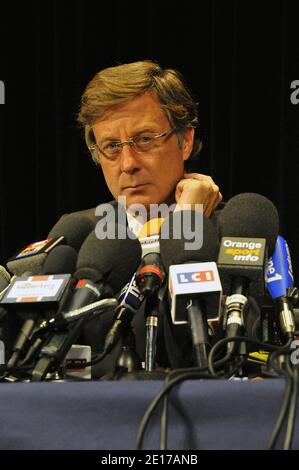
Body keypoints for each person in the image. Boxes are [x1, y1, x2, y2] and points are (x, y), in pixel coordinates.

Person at [58, 60, 223, 377]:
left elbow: (239, 354)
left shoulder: (236, 229)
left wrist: (187, 221)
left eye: (145, 139)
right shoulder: (77, 235)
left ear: (185, 140)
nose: (128, 164)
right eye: (112, 146)